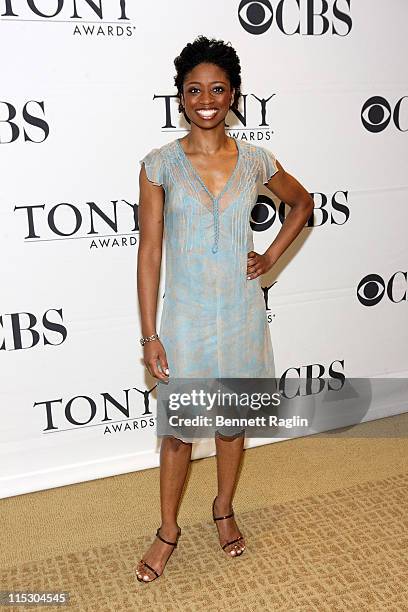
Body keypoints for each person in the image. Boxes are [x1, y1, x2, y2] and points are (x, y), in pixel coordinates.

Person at [135, 35, 314, 583]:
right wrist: (150, 336)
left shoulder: (257, 159)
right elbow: (149, 251)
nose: (206, 99)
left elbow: (302, 202)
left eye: (217, 88)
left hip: (239, 314)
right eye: (194, 90)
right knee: (178, 432)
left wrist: (270, 257)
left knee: (232, 426)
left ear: (234, 94)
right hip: (184, 319)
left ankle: (223, 508)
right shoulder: (158, 164)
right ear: (180, 97)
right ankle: (168, 530)